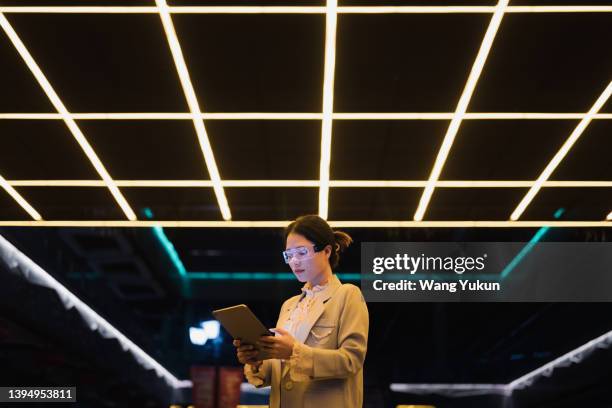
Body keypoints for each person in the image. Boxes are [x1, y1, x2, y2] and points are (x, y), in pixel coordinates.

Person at [233, 214, 369, 407]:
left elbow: (351, 360)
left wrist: (294, 352)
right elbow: (280, 373)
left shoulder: (347, 295)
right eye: (289, 255)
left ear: (327, 251)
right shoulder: (289, 306)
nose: (294, 262)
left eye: (302, 252)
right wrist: (257, 360)